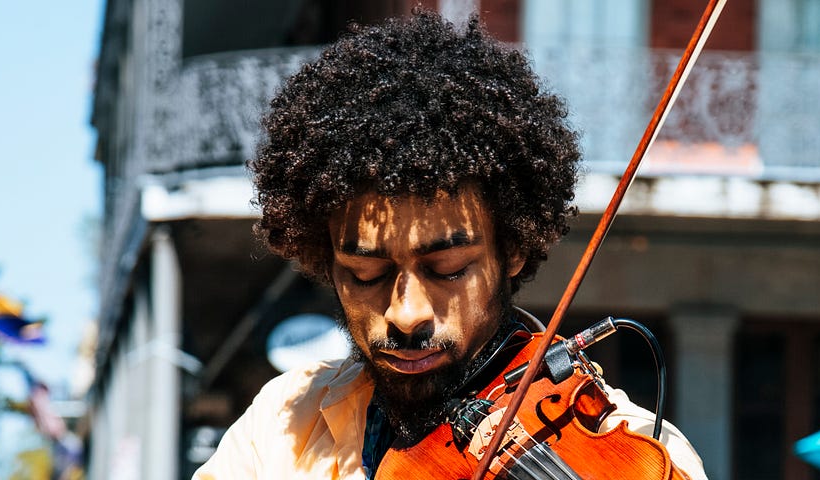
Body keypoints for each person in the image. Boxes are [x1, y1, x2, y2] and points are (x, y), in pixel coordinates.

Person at [193, 11, 706, 480]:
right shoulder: (283, 419)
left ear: (512, 251)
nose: (407, 315)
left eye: (447, 268)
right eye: (366, 274)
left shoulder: (638, 452)